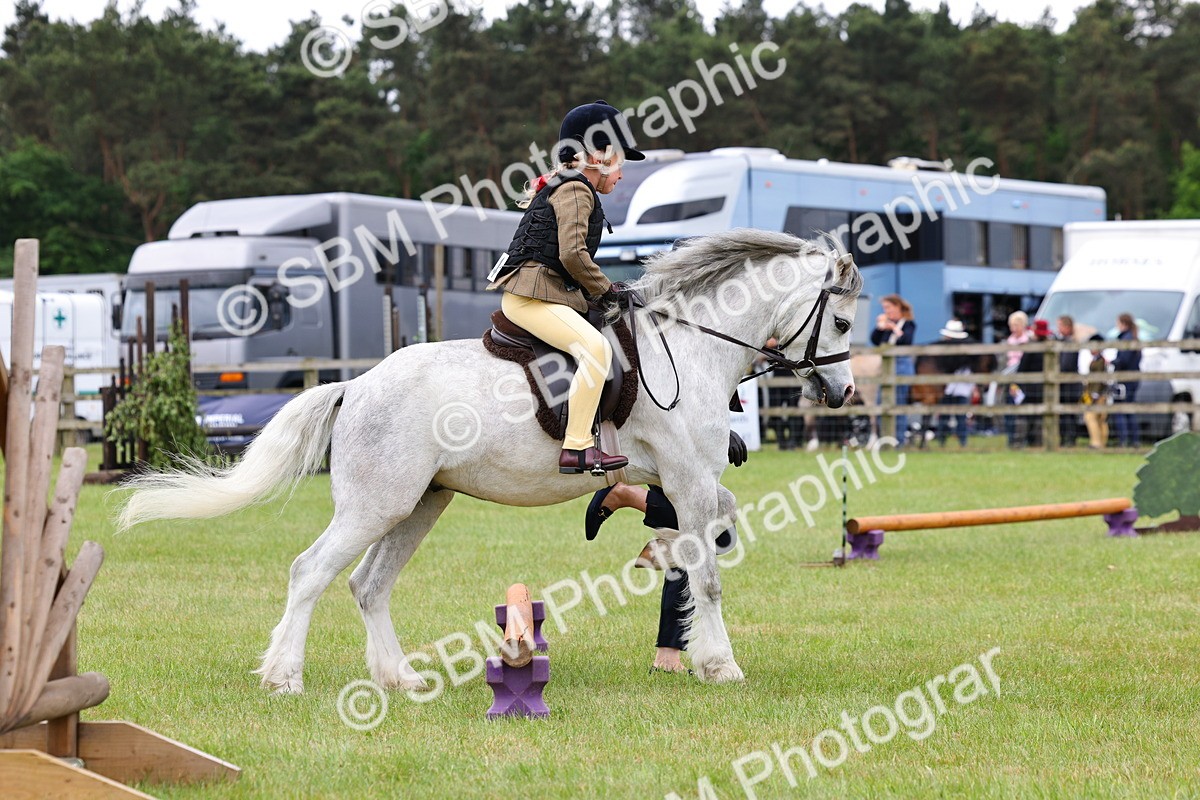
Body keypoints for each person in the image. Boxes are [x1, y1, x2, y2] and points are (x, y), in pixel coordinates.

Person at [488, 100, 645, 474]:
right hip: (533, 297)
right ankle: (576, 446)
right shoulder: (576, 189)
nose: (622, 173)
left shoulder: (571, 186)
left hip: (545, 293)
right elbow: (573, 255)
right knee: (595, 350)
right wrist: (608, 291)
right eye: (620, 160)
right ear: (597, 155)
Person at [584, 433, 745, 674]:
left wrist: (722, 428)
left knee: (688, 544)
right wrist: (721, 433)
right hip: (666, 433)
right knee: (715, 537)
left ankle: (667, 657)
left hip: (678, 432)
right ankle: (626, 494)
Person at [870, 294, 916, 443]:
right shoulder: (887, 325)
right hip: (885, 366)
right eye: (884, 308)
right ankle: (885, 439)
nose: (886, 310)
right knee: (881, 403)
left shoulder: (908, 324)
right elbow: (875, 341)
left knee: (898, 404)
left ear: (897, 307)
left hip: (902, 365)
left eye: (888, 307)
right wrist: (880, 327)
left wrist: (894, 328)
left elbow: (905, 341)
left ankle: (899, 441)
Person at [1012, 318, 1053, 447]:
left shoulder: (1031, 348)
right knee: (1041, 417)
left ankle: (1019, 442)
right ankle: (1038, 442)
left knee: (1025, 416)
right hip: (1046, 388)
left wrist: (1017, 384)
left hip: (1029, 387)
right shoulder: (1050, 348)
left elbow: (1022, 369)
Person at [936, 319, 975, 446]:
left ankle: (962, 442)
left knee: (961, 417)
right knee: (944, 416)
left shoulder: (966, 352)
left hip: (961, 388)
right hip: (947, 387)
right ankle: (942, 441)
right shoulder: (943, 351)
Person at [1111, 312, 1142, 448]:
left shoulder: (1126, 339)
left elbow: (1123, 360)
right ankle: (1134, 440)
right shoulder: (1134, 338)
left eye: (1118, 323)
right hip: (1133, 379)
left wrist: (1112, 362)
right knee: (1129, 409)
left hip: (1125, 380)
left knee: (1120, 410)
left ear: (1123, 324)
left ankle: (1123, 440)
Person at [1003, 311, 1032, 447]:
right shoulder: (1010, 340)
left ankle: (1024, 438)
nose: (1013, 328)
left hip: (1024, 376)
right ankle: (1011, 438)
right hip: (1011, 376)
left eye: (1016, 324)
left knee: (1023, 409)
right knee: (1009, 407)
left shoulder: (1028, 340)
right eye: (1012, 325)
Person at [1056, 315, 1083, 447]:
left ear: (1067, 327)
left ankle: (1069, 439)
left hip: (1068, 385)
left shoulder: (1069, 343)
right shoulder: (1066, 342)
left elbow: (1066, 365)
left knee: (1067, 414)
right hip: (1069, 384)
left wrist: (1056, 371)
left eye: (1060, 325)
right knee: (1067, 414)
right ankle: (1067, 439)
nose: (1058, 328)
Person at [1082, 334, 1111, 449]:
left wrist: (1094, 395)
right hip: (1097, 393)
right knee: (1100, 419)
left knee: (1091, 417)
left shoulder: (1100, 361)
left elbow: (1098, 380)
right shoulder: (1099, 360)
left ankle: (1096, 442)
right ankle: (1102, 442)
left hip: (1097, 394)